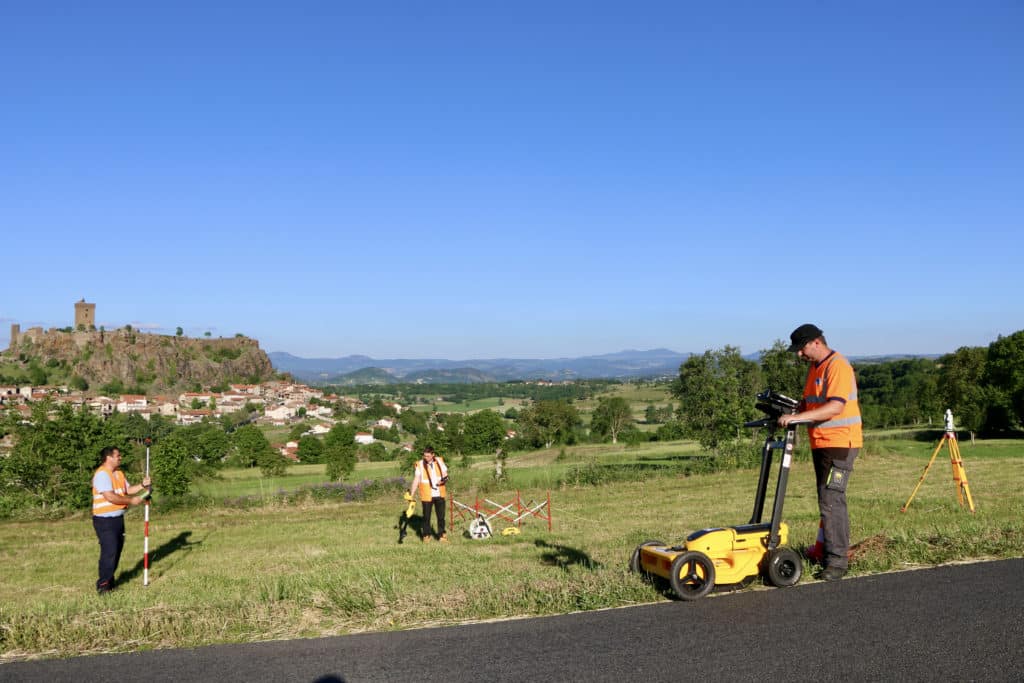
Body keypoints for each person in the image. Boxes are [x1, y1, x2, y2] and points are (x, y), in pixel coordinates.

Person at [778, 324, 862, 581]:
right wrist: (790, 409)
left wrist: (796, 419)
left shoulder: (837, 366)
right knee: (827, 500)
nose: (799, 355)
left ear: (816, 342)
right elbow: (810, 403)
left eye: (802, 349)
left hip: (839, 444)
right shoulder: (816, 367)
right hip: (822, 442)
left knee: (831, 500)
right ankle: (828, 551)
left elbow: (834, 408)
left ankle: (837, 562)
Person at [92, 446, 151, 593]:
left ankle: (110, 582)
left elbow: (127, 490)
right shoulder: (102, 475)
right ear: (109, 457)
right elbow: (110, 496)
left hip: (118, 519)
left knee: (117, 551)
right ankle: (103, 585)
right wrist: (132, 501)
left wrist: (142, 486)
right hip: (104, 521)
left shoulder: (118, 473)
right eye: (118, 455)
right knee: (109, 551)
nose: (120, 457)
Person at [409, 446, 449, 543]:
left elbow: (445, 475)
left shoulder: (440, 461)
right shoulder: (420, 464)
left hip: (439, 493)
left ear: (433, 455)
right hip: (427, 494)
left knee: (441, 517)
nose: (425, 458)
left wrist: (443, 480)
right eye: (424, 456)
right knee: (426, 517)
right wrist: (412, 493)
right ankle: (426, 535)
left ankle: (442, 535)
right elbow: (416, 480)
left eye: (427, 456)